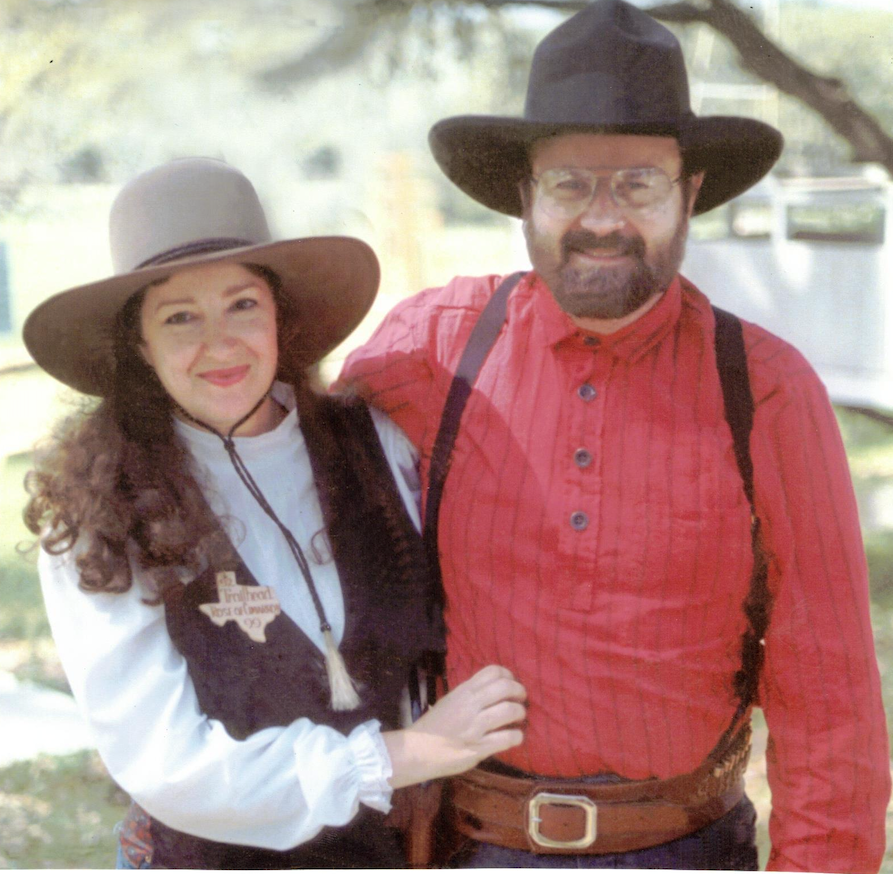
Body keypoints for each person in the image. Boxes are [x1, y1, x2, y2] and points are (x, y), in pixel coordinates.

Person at [337, 1, 891, 870]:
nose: (603, 218)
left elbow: (829, 697)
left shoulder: (767, 391)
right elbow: (270, 472)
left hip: (684, 848)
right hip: (471, 846)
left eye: (637, 184)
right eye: (568, 184)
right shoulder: (431, 350)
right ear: (525, 194)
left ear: (689, 193)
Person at [22, 157, 526, 869]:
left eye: (242, 305)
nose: (221, 343)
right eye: (179, 318)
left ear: (278, 315)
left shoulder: (375, 445)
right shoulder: (100, 514)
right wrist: (401, 755)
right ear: (139, 344)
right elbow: (168, 766)